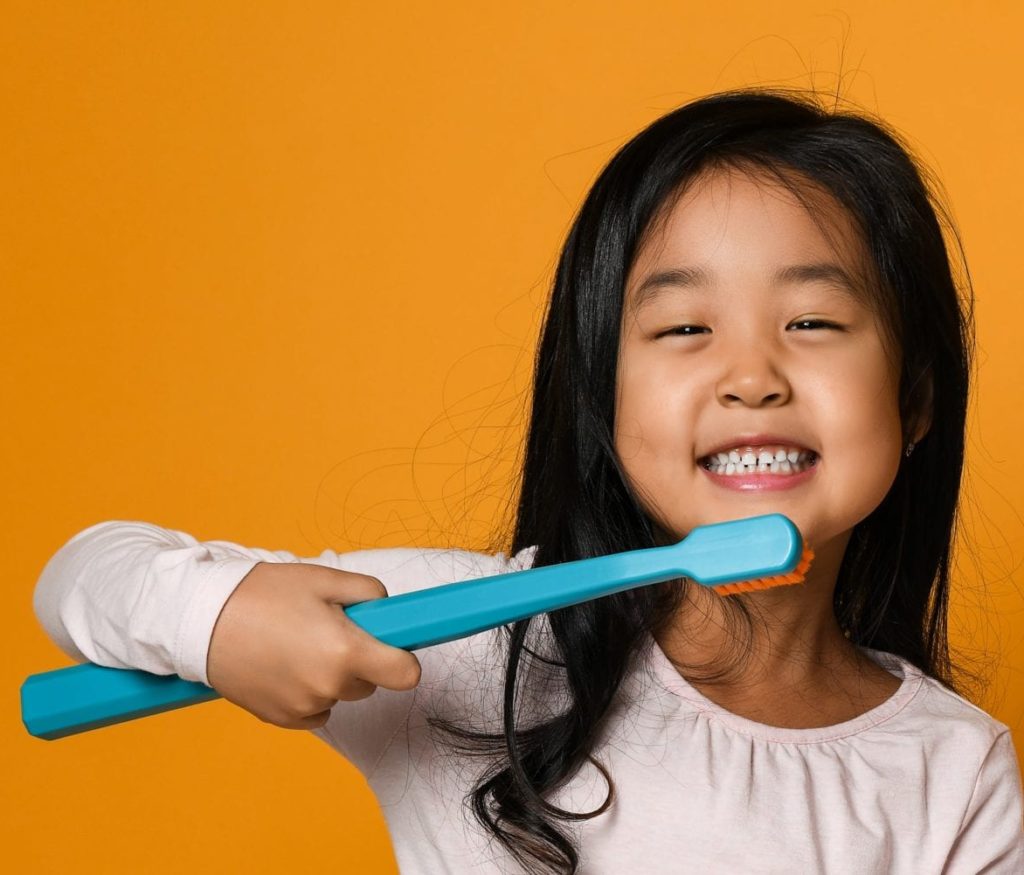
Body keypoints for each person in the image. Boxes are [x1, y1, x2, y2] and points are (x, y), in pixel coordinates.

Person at [32, 87, 1024, 874]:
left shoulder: (951, 766)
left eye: (810, 322)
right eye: (683, 329)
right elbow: (84, 576)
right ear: (602, 401)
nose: (752, 375)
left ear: (917, 396)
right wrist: (218, 611)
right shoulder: (470, 648)